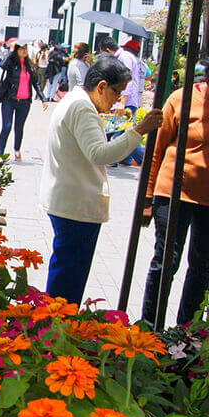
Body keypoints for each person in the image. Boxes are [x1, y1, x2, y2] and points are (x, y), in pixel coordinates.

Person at [40, 55, 162, 305]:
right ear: (102, 86)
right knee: (67, 283)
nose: (118, 99)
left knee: (65, 274)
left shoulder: (76, 102)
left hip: (69, 202)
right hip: (76, 207)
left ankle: (54, 326)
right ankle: (55, 330)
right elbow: (100, 154)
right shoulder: (82, 107)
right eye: (117, 92)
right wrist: (139, 131)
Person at [139, 62, 209, 325]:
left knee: (202, 267)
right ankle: (150, 327)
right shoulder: (181, 99)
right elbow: (156, 149)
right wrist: (147, 198)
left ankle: (187, 332)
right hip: (173, 192)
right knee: (167, 260)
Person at [0, 43, 48, 160]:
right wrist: (10, 51)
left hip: (24, 103)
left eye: (25, 48)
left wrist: (43, 99)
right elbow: (2, 65)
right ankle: (0, 153)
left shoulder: (30, 65)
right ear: (16, 50)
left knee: (19, 127)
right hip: (9, 99)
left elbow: (36, 83)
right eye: (21, 49)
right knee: (7, 126)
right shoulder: (11, 63)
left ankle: (17, 149)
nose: (24, 51)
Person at [116, 38, 144, 118]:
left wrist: (122, 102)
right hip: (133, 100)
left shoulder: (126, 57)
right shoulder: (141, 63)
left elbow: (128, 79)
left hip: (127, 103)